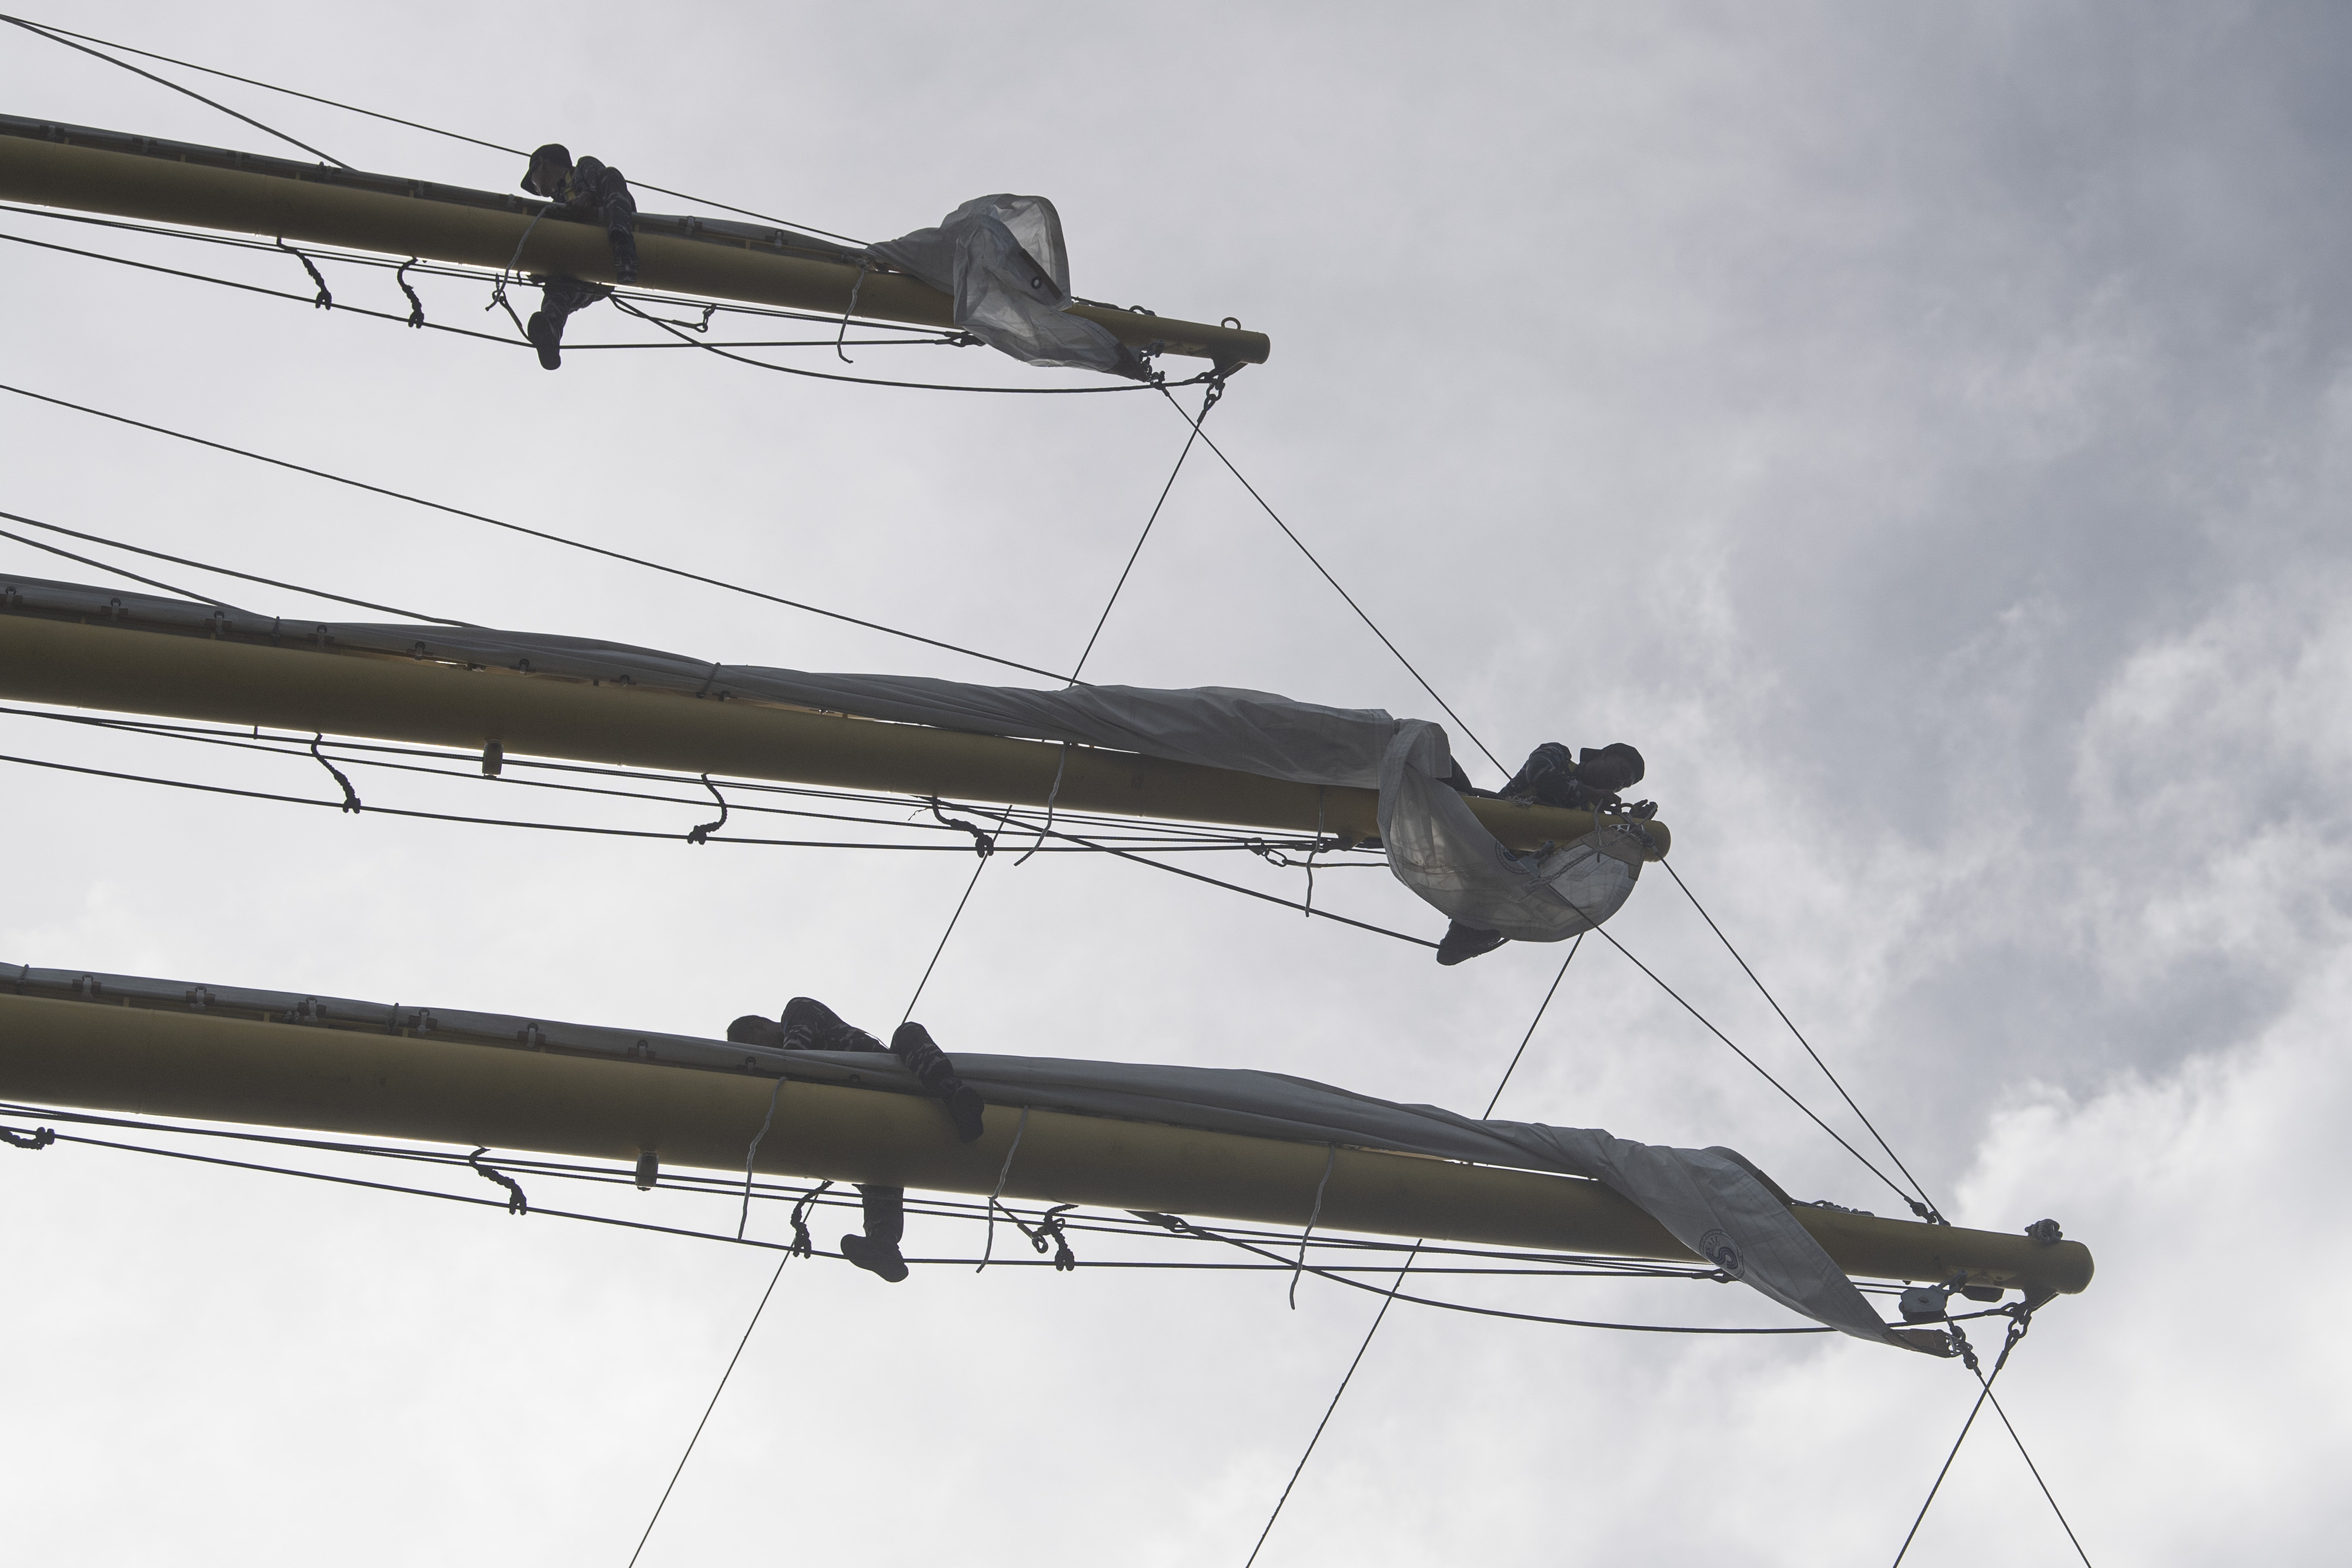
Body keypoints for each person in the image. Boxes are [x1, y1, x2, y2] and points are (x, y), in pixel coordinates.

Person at [725, 998, 985, 1282]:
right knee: (876, 1172)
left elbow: (794, 1053)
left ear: (758, 1026)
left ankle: (955, 1095)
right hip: (867, 1117)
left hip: (893, 1081)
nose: (759, 1054)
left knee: (906, 1033)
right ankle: (884, 1244)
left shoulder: (796, 1011)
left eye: (753, 1045)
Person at [1436, 742, 1655, 967]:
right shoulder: (1559, 756)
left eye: (1624, 786)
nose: (1619, 785)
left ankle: (1466, 930)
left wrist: (1633, 825)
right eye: (1621, 774)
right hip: (1476, 825)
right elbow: (1540, 774)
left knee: (1456, 949)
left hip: (1500, 870)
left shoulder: (1592, 819)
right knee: (1430, 748)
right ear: (1604, 756)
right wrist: (1590, 793)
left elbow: (1595, 856)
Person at [517, 143, 640, 370]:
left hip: (614, 234)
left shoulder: (582, 170)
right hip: (593, 274)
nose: (535, 188)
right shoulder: (556, 207)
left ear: (541, 165)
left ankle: (622, 242)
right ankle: (551, 333)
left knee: (611, 175)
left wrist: (590, 196)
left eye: (533, 179)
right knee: (558, 288)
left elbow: (611, 186)